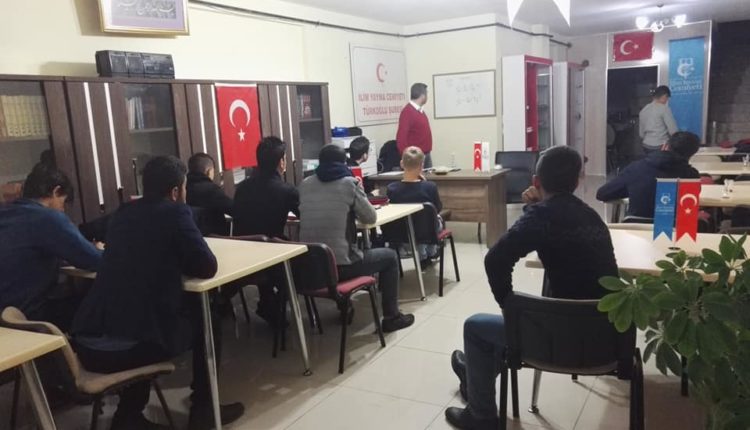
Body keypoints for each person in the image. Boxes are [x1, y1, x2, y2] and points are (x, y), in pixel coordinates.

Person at [444, 146, 618, 430]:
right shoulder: (593, 218)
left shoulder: (541, 217)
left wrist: (509, 308)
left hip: (555, 342)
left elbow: (495, 259)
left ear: (536, 181)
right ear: (578, 181)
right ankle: (474, 376)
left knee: (474, 327)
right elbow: (556, 230)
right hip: (605, 341)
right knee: (519, 323)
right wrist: (535, 208)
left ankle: (481, 416)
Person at [71, 156, 244, 430]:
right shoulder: (176, 213)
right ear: (176, 191)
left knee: (141, 317)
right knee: (207, 319)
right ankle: (204, 410)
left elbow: (87, 231)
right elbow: (207, 266)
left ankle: (128, 416)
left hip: (86, 342)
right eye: (184, 188)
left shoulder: (123, 213)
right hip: (130, 349)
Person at [299, 145, 414, 332]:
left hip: (310, 267)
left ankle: (345, 306)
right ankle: (391, 317)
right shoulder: (349, 183)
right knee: (390, 257)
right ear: (344, 163)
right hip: (341, 266)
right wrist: (358, 191)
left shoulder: (305, 184)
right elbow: (370, 217)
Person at [0, 164, 102, 329]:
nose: (62, 210)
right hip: (29, 315)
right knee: (96, 303)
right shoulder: (48, 218)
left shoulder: (6, 213)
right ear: (56, 191)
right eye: (63, 203)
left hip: (6, 318)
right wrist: (102, 250)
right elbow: (95, 260)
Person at [233, 136, 299, 323]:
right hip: (272, 254)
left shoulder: (242, 188)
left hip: (242, 254)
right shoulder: (286, 190)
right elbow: (304, 214)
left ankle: (267, 302)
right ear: (281, 162)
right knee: (300, 263)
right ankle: (271, 304)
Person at [596, 131, 701, 221]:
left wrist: (633, 189)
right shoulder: (691, 176)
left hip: (635, 231)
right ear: (691, 155)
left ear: (665, 146)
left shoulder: (637, 168)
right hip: (673, 234)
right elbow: (688, 210)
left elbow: (602, 194)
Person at [386, 146, 443, 263]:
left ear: (401, 164)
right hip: (426, 232)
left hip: (401, 234)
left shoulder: (392, 188)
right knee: (432, 218)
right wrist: (425, 183)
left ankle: (423, 254)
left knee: (416, 221)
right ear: (422, 166)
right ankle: (430, 252)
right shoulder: (430, 187)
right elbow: (437, 208)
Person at [186, 152, 233, 236]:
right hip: (215, 238)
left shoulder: (182, 189)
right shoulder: (212, 190)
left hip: (189, 237)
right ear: (209, 171)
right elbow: (234, 210)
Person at [397, 83, 433, 168]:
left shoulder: (420, 111)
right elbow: (401, 137)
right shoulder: (407, 112)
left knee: (428, 177)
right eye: (426, 94)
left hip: (425, 154)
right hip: (415, 158)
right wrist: (406, 158)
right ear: (423, 96)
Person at [639, 85, 679, 154]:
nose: (667, 101)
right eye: (667, 98)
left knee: (650, 161)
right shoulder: (664, 109)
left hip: (646, 146)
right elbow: (673, 131)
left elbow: (641, 134)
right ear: (664, 96)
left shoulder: (644, 110)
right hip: (661, 146)